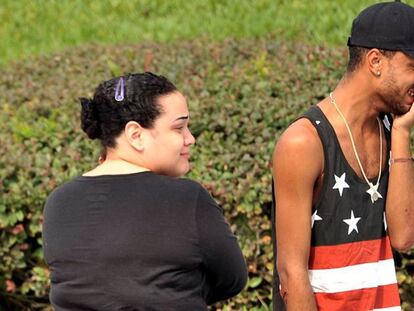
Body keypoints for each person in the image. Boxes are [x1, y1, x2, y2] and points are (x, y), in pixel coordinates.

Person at [42, 72, 247, 311]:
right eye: (179, 128)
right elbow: (232, 279)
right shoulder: (185, 198)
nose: (190, 139)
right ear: (136, 135)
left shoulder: (60, 200)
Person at [271, 2, 414, 310]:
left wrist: (402, 134)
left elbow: (403, 238)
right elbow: (291, 272)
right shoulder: (304, 142)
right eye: (413, 68)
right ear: (376, 61)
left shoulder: (391, 126)